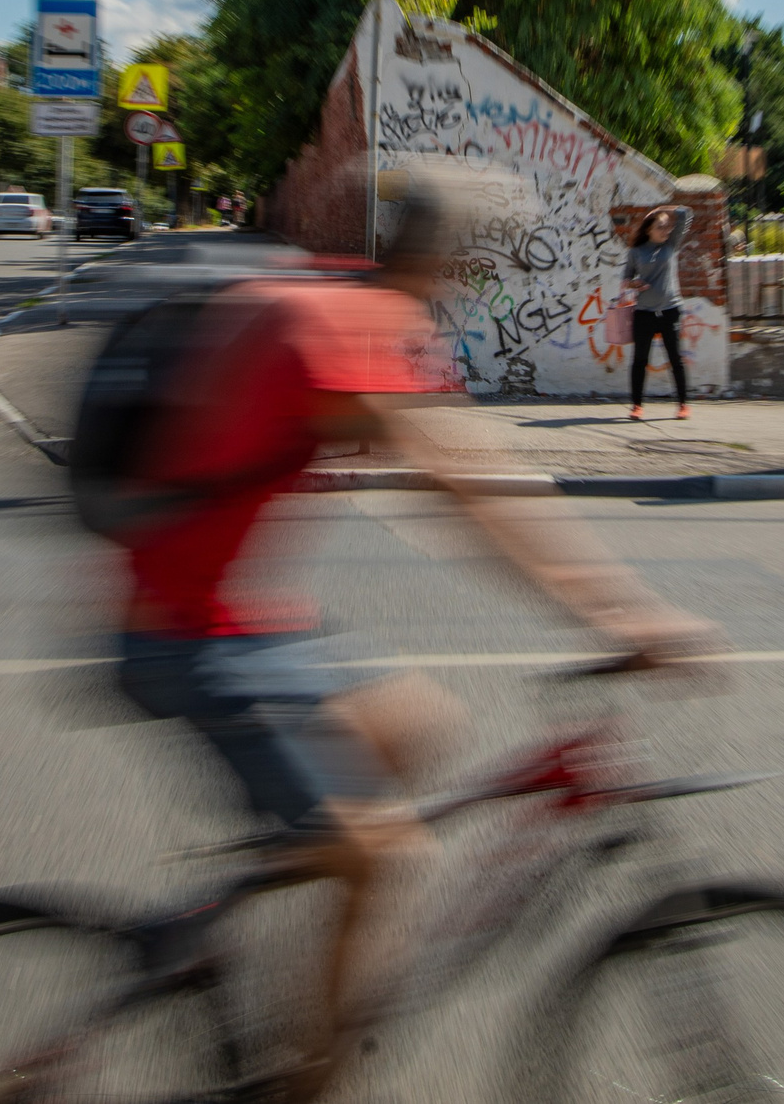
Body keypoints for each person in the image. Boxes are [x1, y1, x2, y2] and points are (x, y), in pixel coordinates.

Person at [106, 179, 717, 1102]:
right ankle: (304, 1079)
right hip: (185, 633)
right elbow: (470, 487)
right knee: (391, 855)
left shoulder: (348, 303)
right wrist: (624, 613)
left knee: (415, 724)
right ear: (447, 266)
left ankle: (248, 943)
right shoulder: (344, 328)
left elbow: (463, 468)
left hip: (245, 616)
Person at [621, 205, 691, 421]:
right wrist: (635, 284)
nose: (666, 230)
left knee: (675, 359)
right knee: (640, 360)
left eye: (667, 227)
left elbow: (686, 214)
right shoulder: (636, 252)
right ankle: (636, 406)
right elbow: (625, 281)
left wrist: (663, 209)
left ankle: (682, 404)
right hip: (644, 313)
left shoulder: (671, 244)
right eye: (660, 226)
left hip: (670, 311)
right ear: (649, 229)